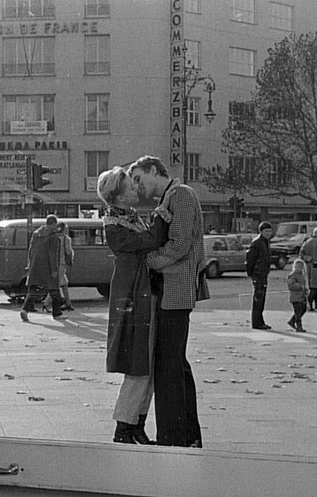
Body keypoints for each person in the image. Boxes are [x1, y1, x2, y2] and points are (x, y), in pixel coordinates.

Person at [129, 155, 206, 448]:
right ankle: (187, 436)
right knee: (175, 365)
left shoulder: (180, 194)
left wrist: (146, 261)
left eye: (139, 178)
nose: (137, 186)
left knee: (168, 367)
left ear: (154, 170)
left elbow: (180, 244)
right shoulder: (171, 197)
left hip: (176, 291)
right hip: (173, 290)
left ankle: (173, 438)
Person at [97, 166, 169, 445]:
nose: (136, 189)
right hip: (132, 297)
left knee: (146, 365)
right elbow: (150, 240)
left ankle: (136, 424)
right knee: (139, 366)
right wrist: (162, 216)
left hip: (140, 293)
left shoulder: (129, 217)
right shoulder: (115, 226)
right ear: (118, 197)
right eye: (130, 187)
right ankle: (124, 426)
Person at [19, 215, 66, 322]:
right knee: (54, 290)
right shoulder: (54, 237)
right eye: (55, 224)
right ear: (53, 224)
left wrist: (29, 264)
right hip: (48, 267)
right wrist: (54, 270)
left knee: (34, 289)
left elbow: (31, 250)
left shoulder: (36, 234)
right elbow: (53, 255)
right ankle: (57, 313)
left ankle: (24, 310)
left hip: (35, 265)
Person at [245, 221, 273, 330]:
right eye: (266, 231)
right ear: (261, 231)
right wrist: (251, 273)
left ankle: (260, 321)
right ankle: (256, 322)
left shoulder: (266, 242)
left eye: (270, 231)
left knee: (261, 298)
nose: (268, 233)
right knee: (258, 298)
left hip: (263, 273)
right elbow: (250, 259)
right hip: (258, 274)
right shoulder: (257, 243)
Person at [43, 222, 74, 311]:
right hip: (62, 263)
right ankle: (46, 303)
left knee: (64, 284)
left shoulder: (53, 237)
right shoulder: (66, 239)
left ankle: (68, 303)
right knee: (56, 285)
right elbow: (68, 251)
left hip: (54, 263)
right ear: (64, 230)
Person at [300, 227, 317, 311]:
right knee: (315, 286)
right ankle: (309, 303)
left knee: (312, 285)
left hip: (308, 266)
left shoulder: (307, 242)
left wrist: (306, 258)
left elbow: (301, 254)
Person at [287, 259, 308, 332]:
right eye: (296, 267)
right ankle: (299, 326)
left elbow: (304, 284)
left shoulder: (301, 275)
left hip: (301, 296)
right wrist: (299, 286)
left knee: (303, 309)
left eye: (299, 267)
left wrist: (305, 290)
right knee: (298, 311)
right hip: (295, 296)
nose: (298, 268)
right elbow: (291, 284)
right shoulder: (293, 275)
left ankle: (292, 321)